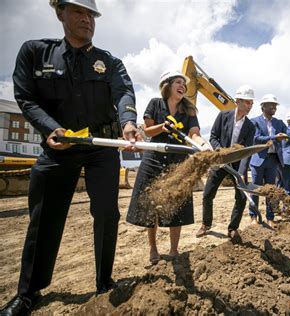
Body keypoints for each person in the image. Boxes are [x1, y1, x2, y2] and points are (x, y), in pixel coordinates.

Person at [1, 1, 142, 315]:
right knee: (45, 216)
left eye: (91, 14)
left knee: (107, 213)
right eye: (79, 12)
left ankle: (105, 281)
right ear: (59, 13)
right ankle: (28, 293)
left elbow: (124, 93)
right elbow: (25, 96)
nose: (86, 19)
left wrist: (129, 123)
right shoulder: (36, 53)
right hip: (60, 147)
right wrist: (51, 128)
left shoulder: (109, 62)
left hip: (101, 147)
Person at [126, 70, 210, 265]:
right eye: (178, 82)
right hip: (153, 158)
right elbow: (147, 130)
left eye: (184, 83)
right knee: (150, 205)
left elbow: (194, 133)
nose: (183, 86)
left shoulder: (188, 110)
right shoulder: (156, 104)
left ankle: (173, 250)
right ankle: (153, 248)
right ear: (167, 85)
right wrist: (163, 127)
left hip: (177, 162)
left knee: (176, 206)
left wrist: (202, 144)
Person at [195, 85, 256, 239]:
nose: (250, 106)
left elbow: (247, 150)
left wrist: (240, 172)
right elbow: (213, 136)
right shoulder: (223, 116)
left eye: (251, 103)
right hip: (220, 161)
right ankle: (206, 224)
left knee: (241, 197)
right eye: (247, 102)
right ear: (238, 101)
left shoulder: (250, 126)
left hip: (237, 164)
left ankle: (232, 228)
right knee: (208, 194)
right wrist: (221, 153)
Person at [249, 94, 287, 228]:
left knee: (271, 191)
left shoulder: (279, 123)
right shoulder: (255, 121)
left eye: (275, 105)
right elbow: (257, 138)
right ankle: (253, 217)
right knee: (256, 190)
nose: (274, 107)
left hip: (272, 160)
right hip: (258, 159)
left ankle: (270, 217)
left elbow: (288, 134)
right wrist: (275, 137)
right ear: (263, 106)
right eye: (271, 105)